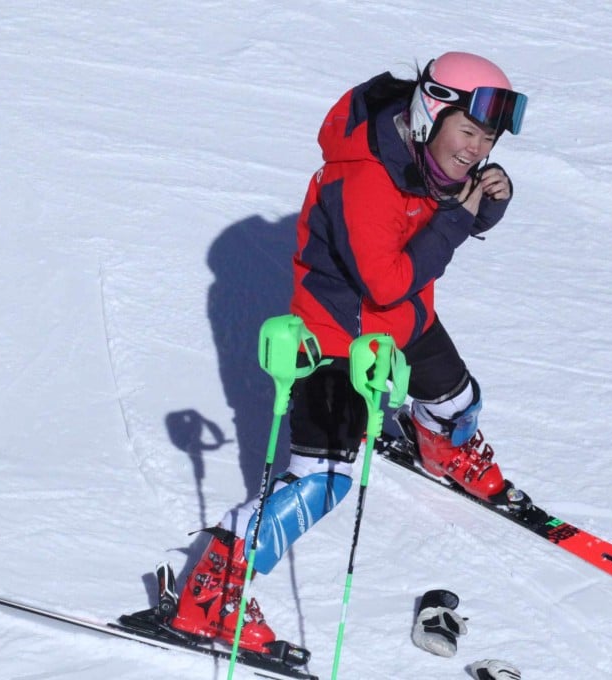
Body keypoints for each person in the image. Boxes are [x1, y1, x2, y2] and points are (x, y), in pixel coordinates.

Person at [167, 51, 528, 653]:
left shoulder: (426, 156)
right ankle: (211, 589)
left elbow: (441, 226)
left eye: (487, 137)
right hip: (336, 336)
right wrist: (462, 216)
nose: (476, 147)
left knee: (459, 400)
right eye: (468, 131)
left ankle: (442, 450)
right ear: (430, 113)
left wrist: (487, 201)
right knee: (323, 481)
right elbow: (384, 280)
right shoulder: (364, 176)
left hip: (403, 320)